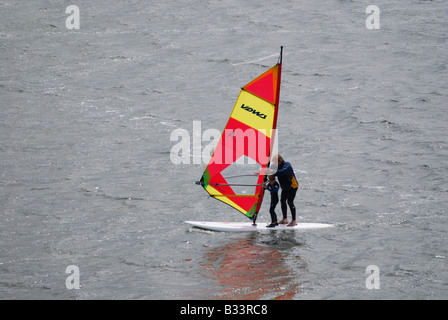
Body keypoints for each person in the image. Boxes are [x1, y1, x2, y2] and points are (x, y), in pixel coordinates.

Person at [269, 154, 299, 226]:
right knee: (282, 201)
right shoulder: (276, 165)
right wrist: (261, 172)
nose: (274, 164)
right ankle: (284, 219)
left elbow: (280, 172)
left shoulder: (287, 166)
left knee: (290, 202)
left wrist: (269, 171)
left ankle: (294, 220)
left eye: (275, 163)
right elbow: (268, 167)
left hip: (292, 186)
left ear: (280, 161)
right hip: (285, 187)